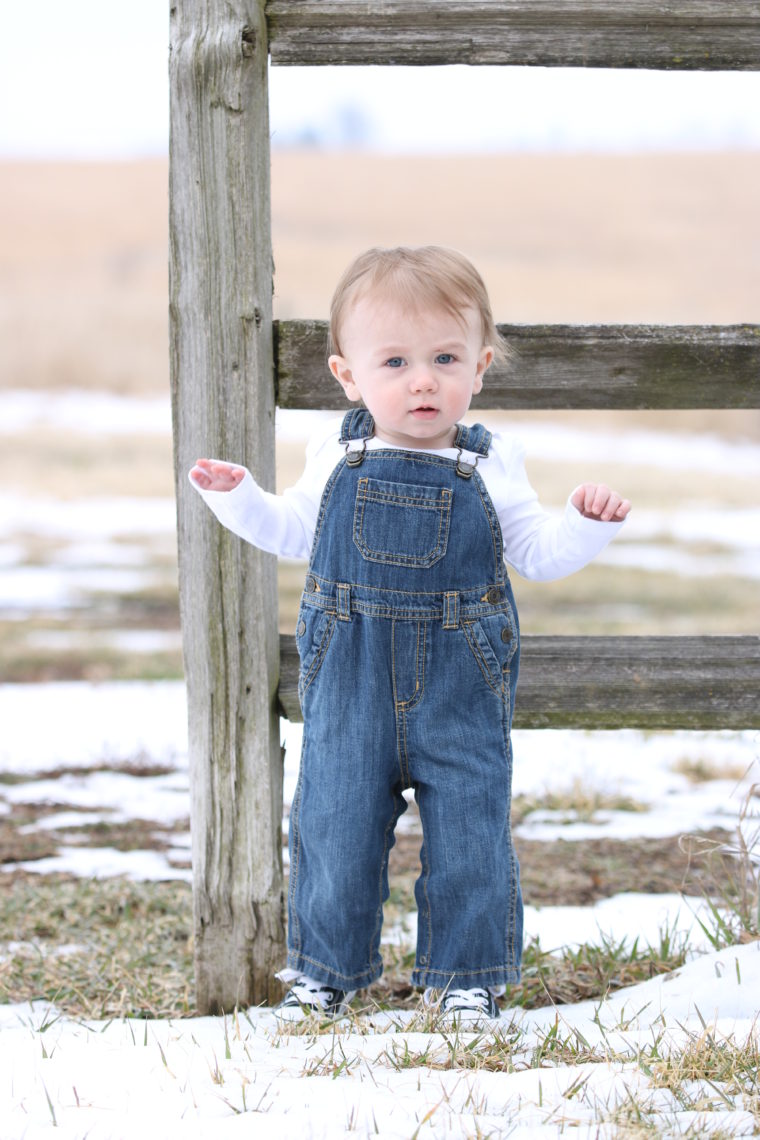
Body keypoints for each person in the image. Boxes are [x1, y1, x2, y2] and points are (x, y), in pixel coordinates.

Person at [190, 245, 631, 1025]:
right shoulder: (338, 453)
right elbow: (295, 531)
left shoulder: (492, 463)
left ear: (481, 367)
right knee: (333, 826)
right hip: (351, 675)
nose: (422, 379)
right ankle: (324, 973)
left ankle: (466, 978)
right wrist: (240, 499)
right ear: (349, 376)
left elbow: (535, 554)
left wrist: (583, 527)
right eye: (395, 361)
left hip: (461, 681)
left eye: (444, 358)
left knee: (470, 828)